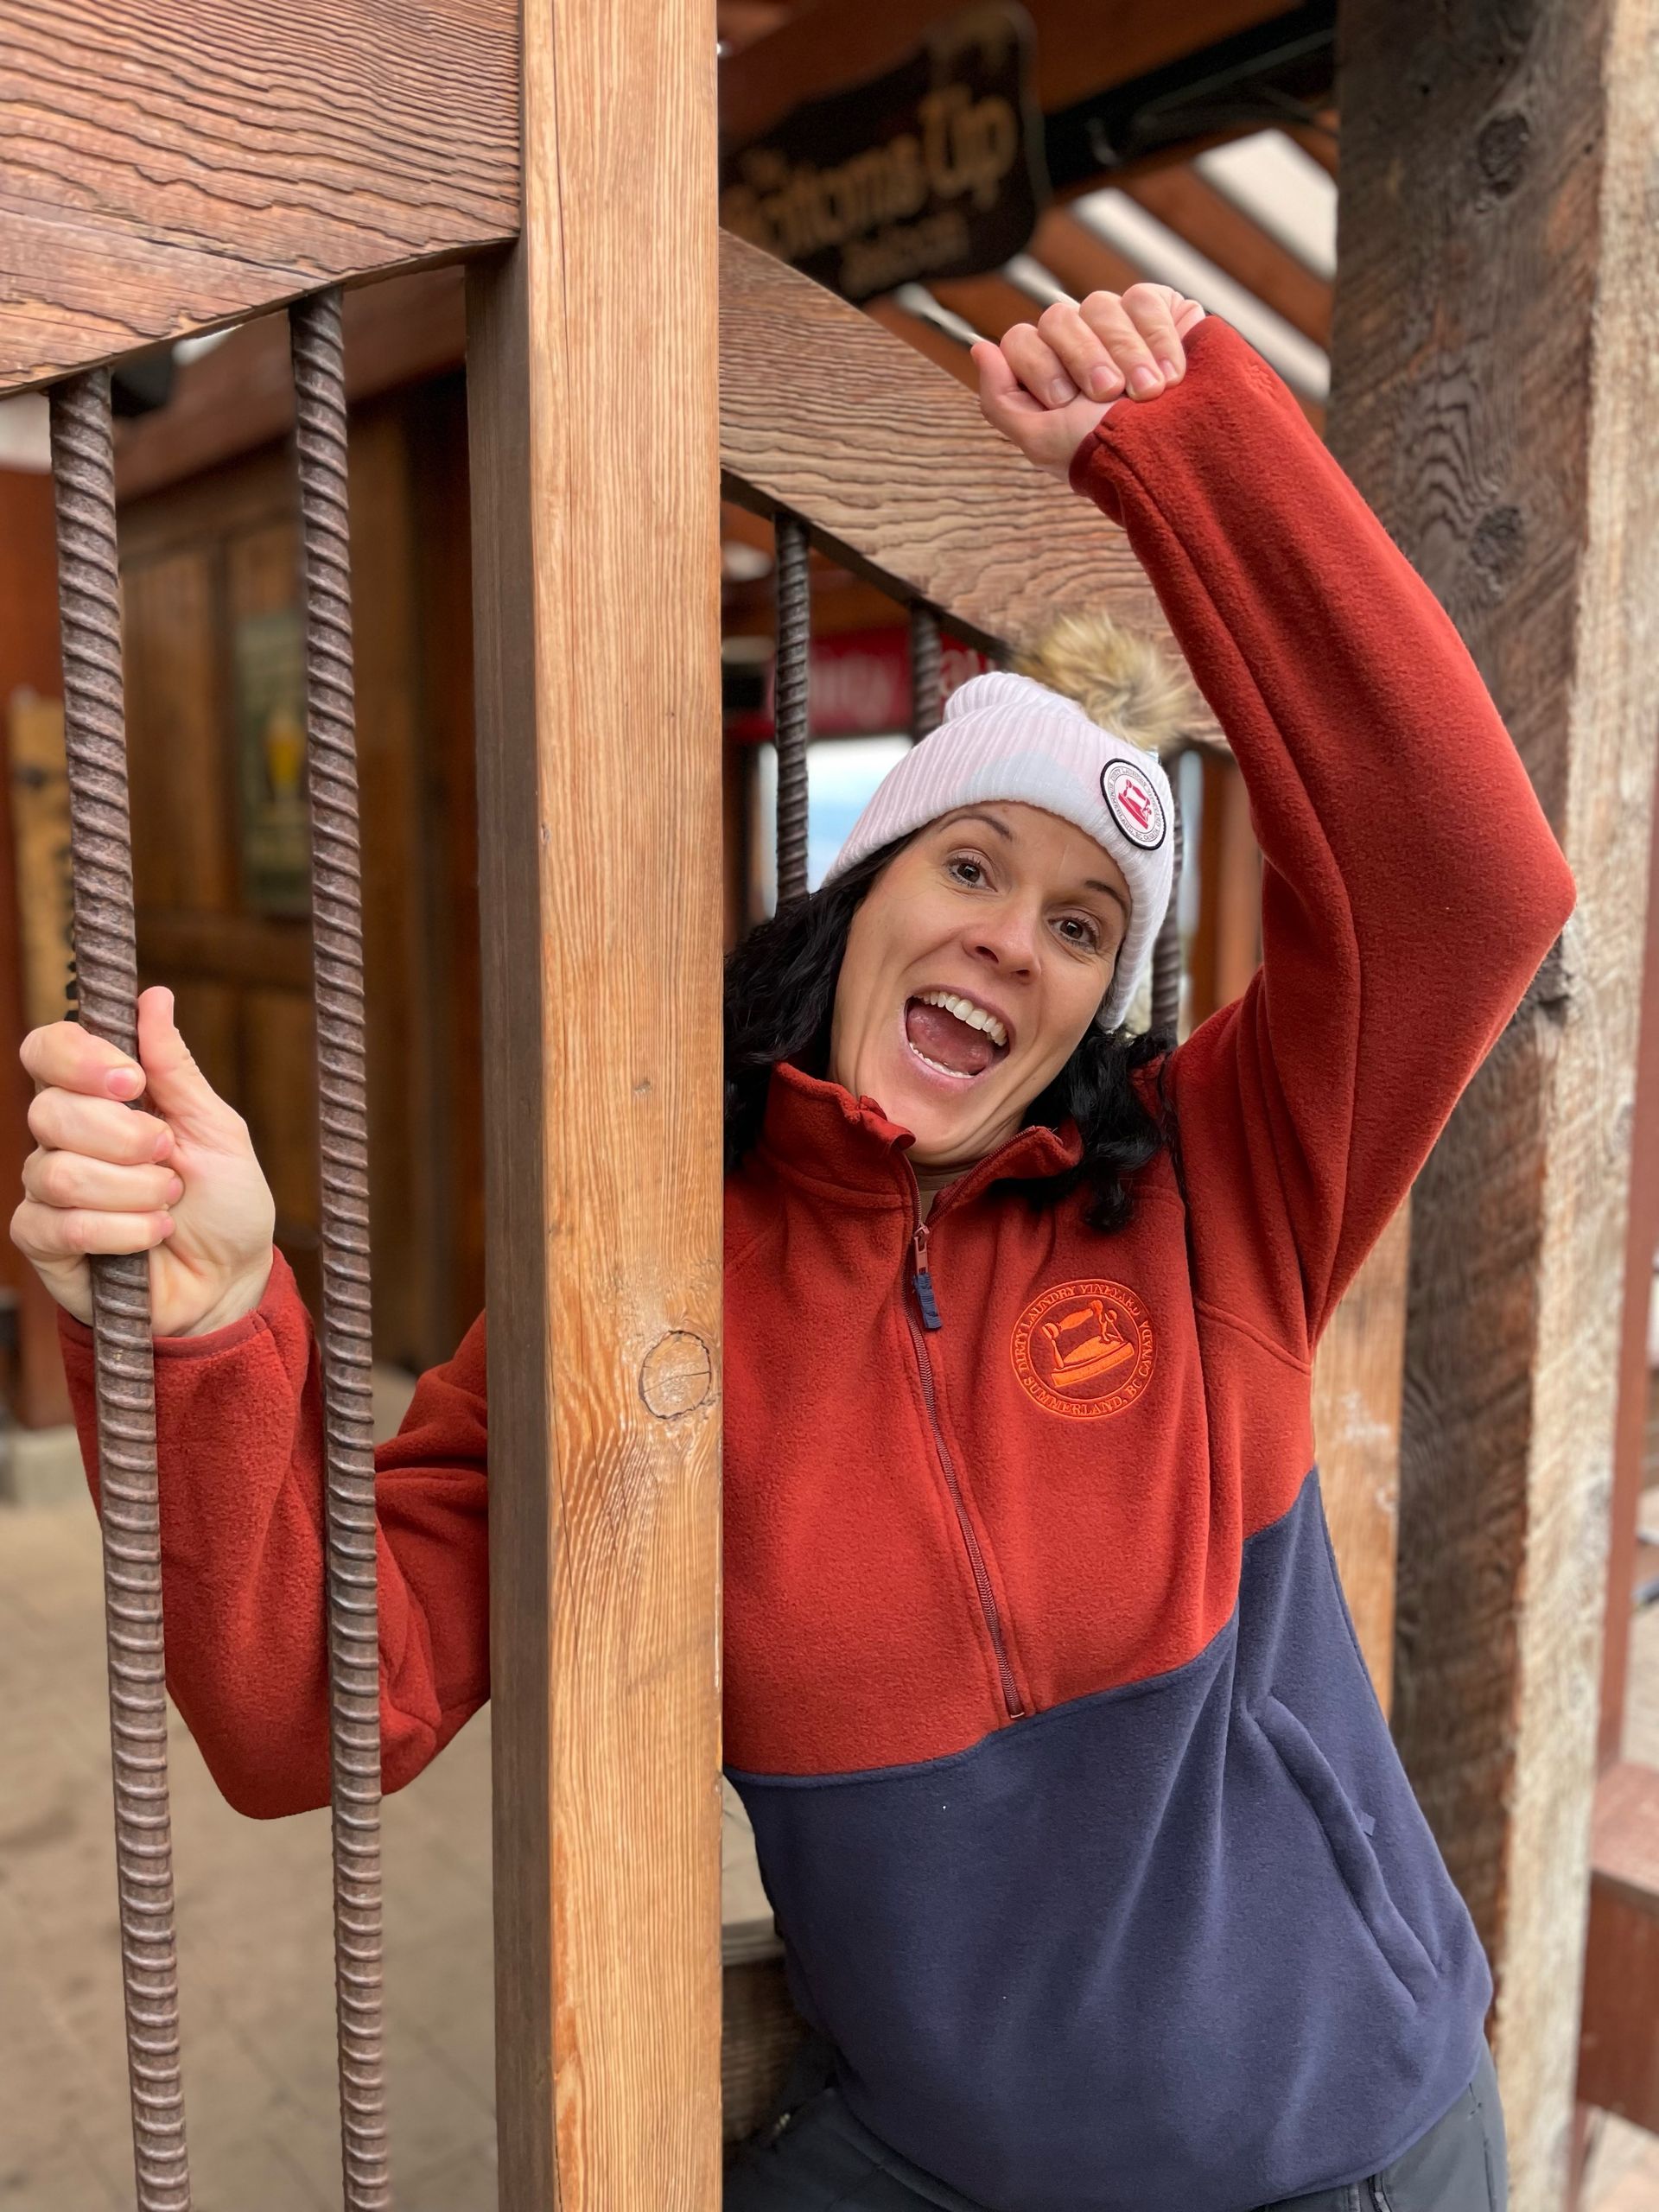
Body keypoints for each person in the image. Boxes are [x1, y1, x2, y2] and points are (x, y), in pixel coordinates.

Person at [13, 284, 1571, 2212]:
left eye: (1088, 923)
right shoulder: (645, 1285)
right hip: (941, 2166)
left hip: (1337, 2149)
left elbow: (1472, 882)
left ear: (1097, 1006)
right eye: (974, 865)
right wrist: (216, 1325)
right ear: (866, 903)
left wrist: (1184, 452)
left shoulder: (1210, 1186)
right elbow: (303, 1709)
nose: (1017, 937)